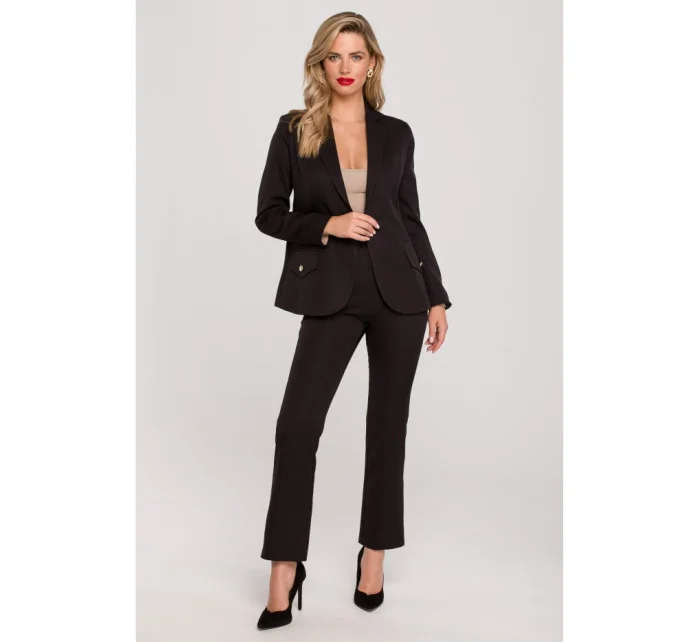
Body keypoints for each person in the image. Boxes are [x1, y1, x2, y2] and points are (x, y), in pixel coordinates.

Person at [254, 11, 452, 630]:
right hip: (330, 293)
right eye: (335, 56)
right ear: (321, 63)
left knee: (387, 428)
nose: (345, 67)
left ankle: (374, 554)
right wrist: (328, 224)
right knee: (297, 427)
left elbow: (410, 219)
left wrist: (437, 296)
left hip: (400, 294)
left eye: (356, 56)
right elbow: (268, 213)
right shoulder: (295, 130)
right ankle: (285, 564)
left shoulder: (397, 134)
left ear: (372, 64)